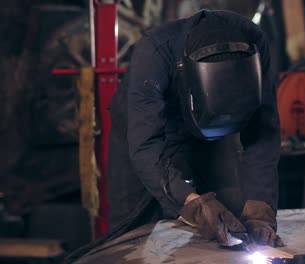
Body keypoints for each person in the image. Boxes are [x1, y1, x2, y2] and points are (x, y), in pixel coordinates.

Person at [107, 9, 283, 247]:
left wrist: (260, 212)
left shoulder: (255, 42)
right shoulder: (153, 52)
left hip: (211, 131)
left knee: (229, 219)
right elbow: (146, 146)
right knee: (130, 236)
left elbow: (263, 132)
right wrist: (194, 204)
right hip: (145, 129)